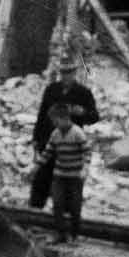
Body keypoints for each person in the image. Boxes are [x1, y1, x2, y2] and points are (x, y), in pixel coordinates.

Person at [30, 54, 99, 208]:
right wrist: (36, 139)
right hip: (48, 140)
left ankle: (65, 216)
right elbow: (42, 115)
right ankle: (35, 212)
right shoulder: (52, 90)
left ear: (75, 73)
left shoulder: (83, 93)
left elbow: (94, 116)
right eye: (63, 73)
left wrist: (82, 113)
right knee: (42, 179)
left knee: (67, 183)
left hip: (70, 145)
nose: (66, 76)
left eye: (69, 73)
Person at [38, 102, 90, 244]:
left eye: (55, 121)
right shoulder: (55, 134)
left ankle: (74, 234)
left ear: (64, 118)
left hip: (74, 176)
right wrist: (36, 166)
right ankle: (60, 233)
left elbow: (87, 153)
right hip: (59, 175)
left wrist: (85, 169)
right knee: (58, 204)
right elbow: (48, 152)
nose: (54, 124)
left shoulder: (77, 133)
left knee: (75, 205)